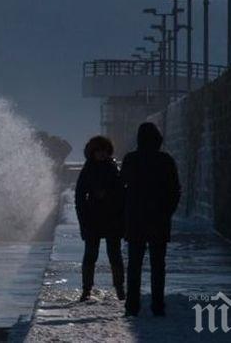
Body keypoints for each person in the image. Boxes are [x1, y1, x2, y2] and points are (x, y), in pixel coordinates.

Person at [120, 122, 180, 317]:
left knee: (134, 265)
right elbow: (175, 190)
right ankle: (158, 305)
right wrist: (167, 212)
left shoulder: (131, 159)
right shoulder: (166, 160)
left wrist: (126, 213)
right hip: (159, 220)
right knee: (158, 265)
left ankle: (132, 306)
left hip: (136, 219)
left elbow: (122, 188)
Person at [75, 135, 125, 302]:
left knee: (115, 255)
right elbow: (79, 197)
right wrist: (83, 220)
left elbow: (121, 193)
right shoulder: (89, 169)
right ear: (93, 152)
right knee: (90, 255)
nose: (102, 154)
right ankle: (86, 289)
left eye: (104, 151)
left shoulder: (113, 168)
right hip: (93, 219)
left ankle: (119, 289)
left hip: (112, 218)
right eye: (99, 151)